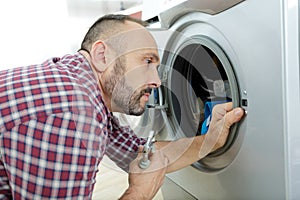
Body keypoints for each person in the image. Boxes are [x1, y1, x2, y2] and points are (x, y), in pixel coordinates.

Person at [0, 14, 244, 199]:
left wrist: (213, 138)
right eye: (146, 61)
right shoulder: (72, 114)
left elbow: (142, 155)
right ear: (102, 55)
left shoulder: (82, 85)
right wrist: (138, 193)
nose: (157, 81)